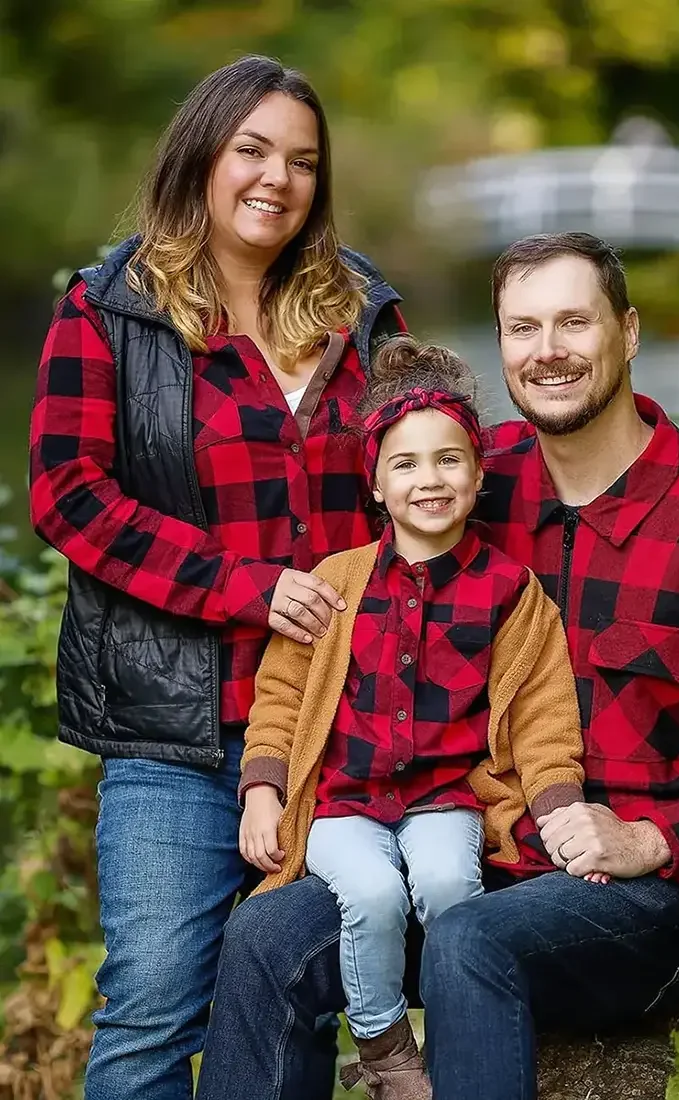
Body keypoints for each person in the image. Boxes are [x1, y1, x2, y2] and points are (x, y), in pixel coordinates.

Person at [194, 232, 679, 1100]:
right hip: (480, 851)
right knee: (266, 939)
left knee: (474, 942)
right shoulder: (469, 485)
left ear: (629, 331)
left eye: (574, 323)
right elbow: (345, 592)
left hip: (664, 891)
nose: (547, 351)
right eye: (521, 328)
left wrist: (655, 838)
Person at [28, 55, 403, 1100]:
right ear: (202, 152)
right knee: (151, 1003)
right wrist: (243, 583)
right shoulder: (108, 309)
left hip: (330, 720)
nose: (276, 179)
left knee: (291, 1001)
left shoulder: (361, 313)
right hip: (173, 732)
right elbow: (68, 493)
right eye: (253, 150)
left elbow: (426, 482)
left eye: (303, 161)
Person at [238, 334, 591, 1100]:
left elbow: (543, 714)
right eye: (405, 463)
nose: (429, 480)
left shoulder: (510, 590)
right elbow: (281, 696)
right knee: (369, 893)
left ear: (476, 471)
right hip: (343, 801)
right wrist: (264, 789)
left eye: (448, 460)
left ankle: (457, 1032)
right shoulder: (336, 583)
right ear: (375, 484)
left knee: (448, 884)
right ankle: (386, 1046)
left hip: (444, 798)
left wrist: (562, 810)